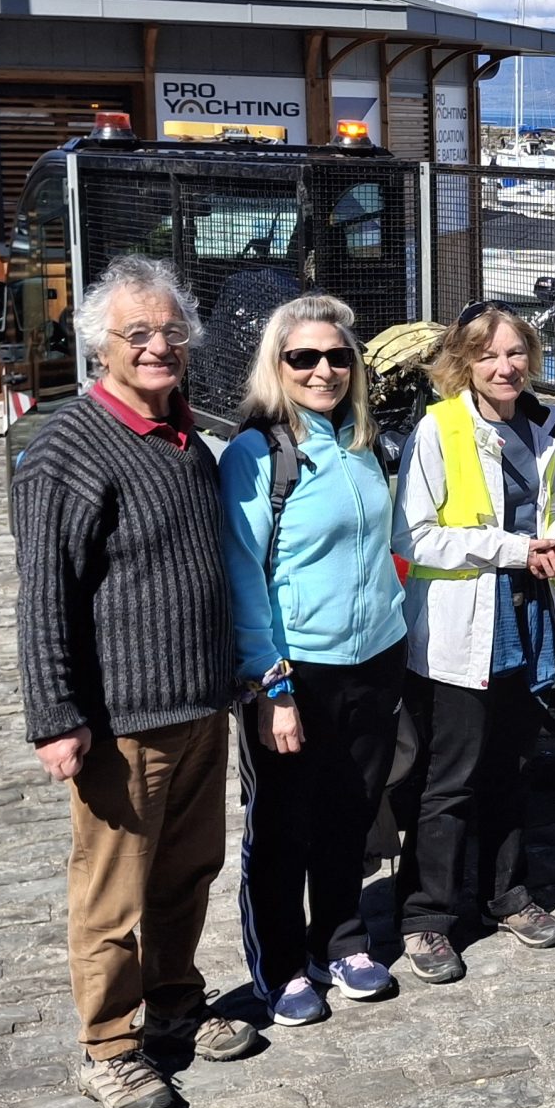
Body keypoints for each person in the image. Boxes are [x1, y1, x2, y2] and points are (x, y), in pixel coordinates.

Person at [13, 255, 261, 1108]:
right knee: (111, 892)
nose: (160, 346)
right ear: (101, 347)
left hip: (199, 705)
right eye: (139, 333)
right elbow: (45, 595)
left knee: (187, 870)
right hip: (121, 719)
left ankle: (175, 1005)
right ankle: (111, 1047)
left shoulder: (187, 438)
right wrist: (55, 716)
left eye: (172, 331)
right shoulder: (68, 449)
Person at [217, 294, 406, 1028]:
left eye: (338, 356)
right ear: (278, 364)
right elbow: (243, 574)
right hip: (295, 669)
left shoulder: (363, 442)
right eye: (304, 357)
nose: (323, 370)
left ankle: (341, 939)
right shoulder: (257, 454)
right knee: (282, 823)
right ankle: (282, 963)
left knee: (350, 812)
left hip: (373, 658)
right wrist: (271, 685)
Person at [389, 302, 555, 983]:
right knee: (450, 779)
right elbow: (414, 536)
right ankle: (426, 915)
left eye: (515, 352)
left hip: (527, 619)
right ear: (464, 363)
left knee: (511, 767)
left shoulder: (543, 428)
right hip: (462, 624)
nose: (505, 367)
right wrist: (514, 549)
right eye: (488, 355)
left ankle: (507, 894)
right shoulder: (439, 427)